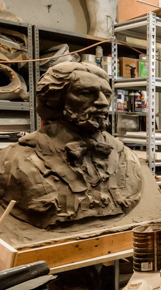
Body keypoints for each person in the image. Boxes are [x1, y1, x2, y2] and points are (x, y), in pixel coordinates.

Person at [0, 61, 143, 228]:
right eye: (85, 93)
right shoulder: (12, 161)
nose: (103, 102)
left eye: (107, 93)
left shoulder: (127, 157)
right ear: (54, 100)